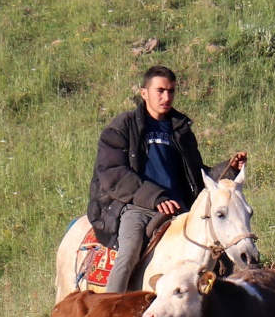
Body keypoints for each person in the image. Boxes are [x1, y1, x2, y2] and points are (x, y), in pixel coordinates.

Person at [87, 66, 247, 293]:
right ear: (144, 93)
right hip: (138, 208)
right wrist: (156, 197)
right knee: (129, 252)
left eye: (171, 91)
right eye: (160, 91)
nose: (166, 97)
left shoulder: (180, 129)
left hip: (180, 210)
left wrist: (228, 169)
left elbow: (195, 175)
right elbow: (113, 172)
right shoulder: (123, 126)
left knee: (222, 260)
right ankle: (110, 305)